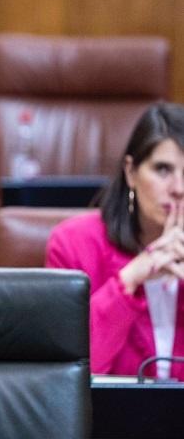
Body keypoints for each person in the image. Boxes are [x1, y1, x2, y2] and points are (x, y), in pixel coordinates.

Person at [46, 102, 184, 381]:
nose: (179, 188)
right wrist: (129, 280)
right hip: (108, 422)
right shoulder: (73, 245)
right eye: (163, 170)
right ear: (131, 172)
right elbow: (65, 375)